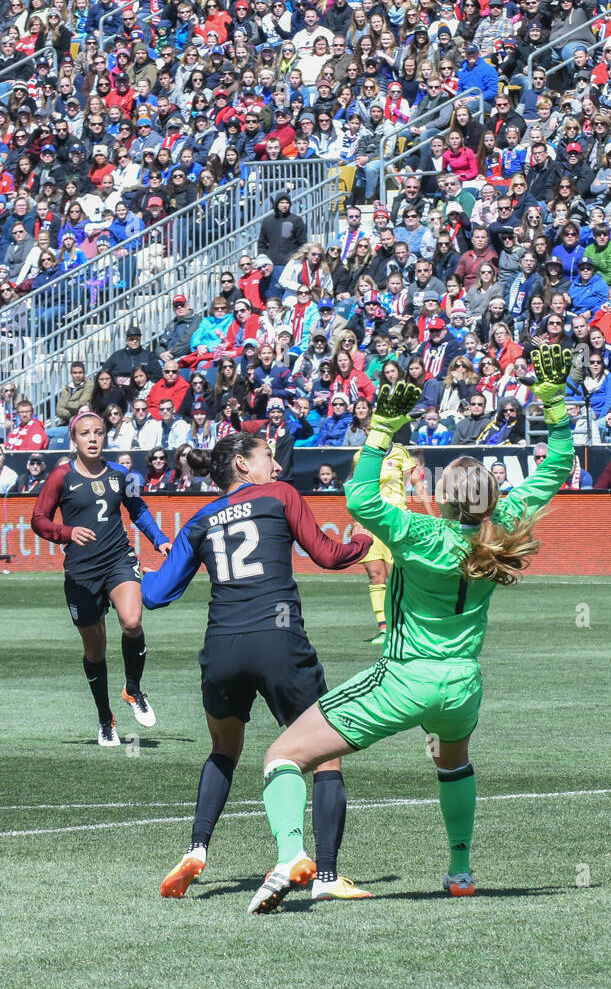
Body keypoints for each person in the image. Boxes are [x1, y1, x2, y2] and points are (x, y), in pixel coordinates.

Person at [246, 346, 575, 913]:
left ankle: (290, 856)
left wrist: (380, 430)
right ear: (494, 496)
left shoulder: (422, 536)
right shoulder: (504, 527)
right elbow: (557, 466)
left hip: (404, 679)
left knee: (282, 756)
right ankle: (461, 868)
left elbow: (360, 498)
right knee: (453, 764)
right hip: (464, 683)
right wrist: (554, 405)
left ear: (444, 499)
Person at [141, 432, 373, 901]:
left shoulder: (201, 518)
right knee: (326, 754)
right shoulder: (281, 494)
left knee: (224, 749)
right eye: (267, 456)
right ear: (243, 466)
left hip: (222, 648)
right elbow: (327, 555)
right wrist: (365, 541)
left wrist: (134, 570)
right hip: (278, 641)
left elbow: (155, 595)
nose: (277, 465)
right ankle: (325, 878)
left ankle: (198, 849)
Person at [30, 411, 170, 746]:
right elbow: (38, 519)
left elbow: (139, 510)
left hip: (119, 560)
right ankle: (105, 719)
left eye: (98, 433)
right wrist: (66, 532)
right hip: (81, 573)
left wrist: (159, 538)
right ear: (73, 439)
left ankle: (133, 689)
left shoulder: (123, 474)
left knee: (132, 621)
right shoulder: (60, 477)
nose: (92, 438)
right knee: (95, 649)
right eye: (85, 434)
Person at [352, 441, 426, 645]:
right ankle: (384, 628)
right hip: (369, 521)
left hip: (395, 522)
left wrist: (430, 510)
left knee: (397, 577)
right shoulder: (360, 455)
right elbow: (356, 488)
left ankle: (403, 626)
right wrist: (355, 518)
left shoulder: (401, 452)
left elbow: (417, 482)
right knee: (376, 575)